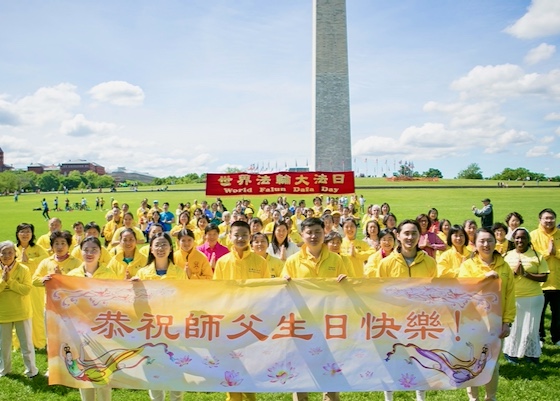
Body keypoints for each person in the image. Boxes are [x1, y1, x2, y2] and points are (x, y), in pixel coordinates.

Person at [281, 217, 346, 401]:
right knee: (301, 371)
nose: (314, 236)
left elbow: (347, 292)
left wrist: (345, 281)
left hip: (329, 323)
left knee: (330, 370)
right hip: (302, 325)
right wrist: (284, 283)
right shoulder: (293, 261)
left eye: (318, 231)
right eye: (309, 232)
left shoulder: (336, 259)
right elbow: (281, 292)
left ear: (324, 233)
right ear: (302, 235)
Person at [213, 221, 269, 401]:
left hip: (251, 323)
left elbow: (266, 291)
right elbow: (216, 292)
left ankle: (251, 397)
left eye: (244, 235)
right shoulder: (223, 262)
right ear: (230, 236)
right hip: (229, 322)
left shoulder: (260, 262)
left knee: (250, 365)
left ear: (250, 237)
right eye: (236, 235)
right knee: (231, 363)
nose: (240, 238)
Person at [458, 228, 515, 401]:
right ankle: (473, 398)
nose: (486, 244)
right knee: (472, 363)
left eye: (489, 240)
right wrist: (485, 278)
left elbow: (510, 295)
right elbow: (462, 290)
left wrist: (507, 321)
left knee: (492, 365)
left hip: (495, 324)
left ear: (495, 242)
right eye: (481, 241)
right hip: (472, 323)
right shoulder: (467, 266)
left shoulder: (504, 267)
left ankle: (491, 397)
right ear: (474, 245)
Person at [132, 232, 185, 401]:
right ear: (151, 249)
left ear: (171, 249)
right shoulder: (142, 273)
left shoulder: (179, 273)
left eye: (164, 245)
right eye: (157, 245)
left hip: (174, 328)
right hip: (151, 329)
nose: (161, 248)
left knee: (176, 369)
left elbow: (186, 299)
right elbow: (136, 304)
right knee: (153, 368)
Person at [503, 227, 549, 364]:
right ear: (513, 240)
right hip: (513, 297)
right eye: (517, 237)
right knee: (515, 327)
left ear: (528, 240)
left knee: (531, 328)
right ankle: (511, 354)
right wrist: (514, 274)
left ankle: (531, 355)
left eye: (523, 237)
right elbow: (502, 278)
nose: (520, 240)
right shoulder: (507, 256)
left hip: (533, 297)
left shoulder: (537, 255)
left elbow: (544, 277)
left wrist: (526, 274)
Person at [0, 240, 39, 378]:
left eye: (10, 252)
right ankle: (4, 369)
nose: (6, 256)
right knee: (3, 345)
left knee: (26, 344)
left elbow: (26, 289)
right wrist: (3, 281)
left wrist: (9, 281)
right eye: (3, 253)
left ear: (15, 254)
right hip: (3, 314)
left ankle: (31, 370)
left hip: (22, 312)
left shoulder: (24, 269)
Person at [15, 223, 48, 349]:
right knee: (19, 314)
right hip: (18, 285)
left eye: (28, 231)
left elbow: (46, 258)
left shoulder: (37, 248)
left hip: (34, 286)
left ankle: (39, 342)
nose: (25, 234)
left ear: (32, 234)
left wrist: (29, 260)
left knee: (37, 314)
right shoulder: (13, 248)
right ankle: (18, 344)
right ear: (17, 234)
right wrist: (20, 260)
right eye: (22, 232)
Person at [530, 208, 560, 346]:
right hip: (540, 282)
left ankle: (557, 337)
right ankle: (540, 337)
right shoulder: (533, 236)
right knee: (539, 313)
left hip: (558, 281)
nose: (549, 221)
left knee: (558, 313)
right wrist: (548, 253)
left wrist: (556, 252)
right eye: (546, 218)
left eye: (552, 218)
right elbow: (532, 257)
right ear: (540, 220)